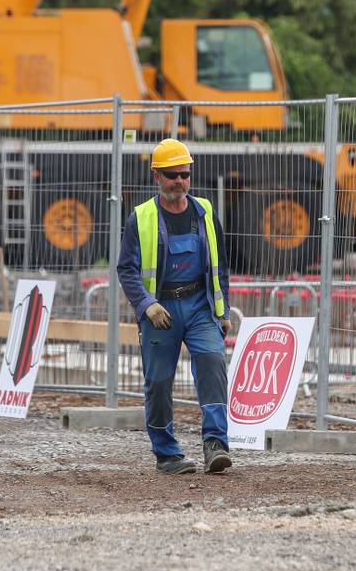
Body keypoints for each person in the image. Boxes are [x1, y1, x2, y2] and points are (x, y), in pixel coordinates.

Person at [118, 138, 233, 475]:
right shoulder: (141, 218)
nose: (179, 181)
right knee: (158, 381)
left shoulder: (205, 212)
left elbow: (219, 266)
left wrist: (223, 311)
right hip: (161, 311)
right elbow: (126, 269)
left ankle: (216, 444)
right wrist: (147, 305)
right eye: (172, 175)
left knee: (212, 364)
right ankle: (167, 454)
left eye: (184, 174)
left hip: (200, 307)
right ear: (157, 176)